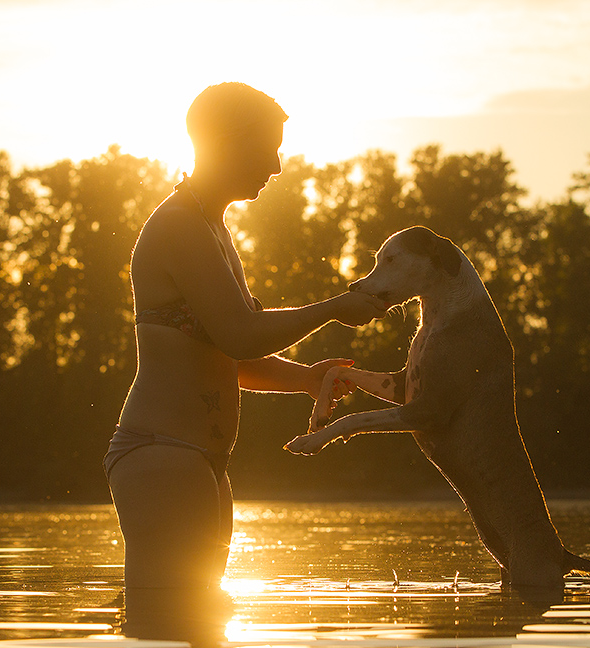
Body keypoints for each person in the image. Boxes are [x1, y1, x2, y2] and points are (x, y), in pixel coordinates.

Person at [105, 83, 385, 598]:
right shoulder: (180, 226)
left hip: (197, 462)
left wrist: (306, 378)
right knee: (170, 626)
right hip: (162, 453)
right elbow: (238, 334)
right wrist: (334, 309)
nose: (277, 166)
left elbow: (228, 352)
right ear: (230, 142)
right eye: (270, 148)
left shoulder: (210, 226)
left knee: (199, 632)